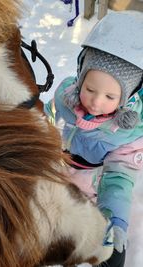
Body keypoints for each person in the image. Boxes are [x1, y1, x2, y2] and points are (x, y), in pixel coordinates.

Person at [44, 10, 143, 267]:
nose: (97, 102)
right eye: (89, 89)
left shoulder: (128, 133)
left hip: (92, 191)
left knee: (97, 244)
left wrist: (114, 221)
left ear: (128, 97)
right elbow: (47, 118)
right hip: (53, 177)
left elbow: (118, 179)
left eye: (111, 98)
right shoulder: (67, 98)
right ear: (80, 75)